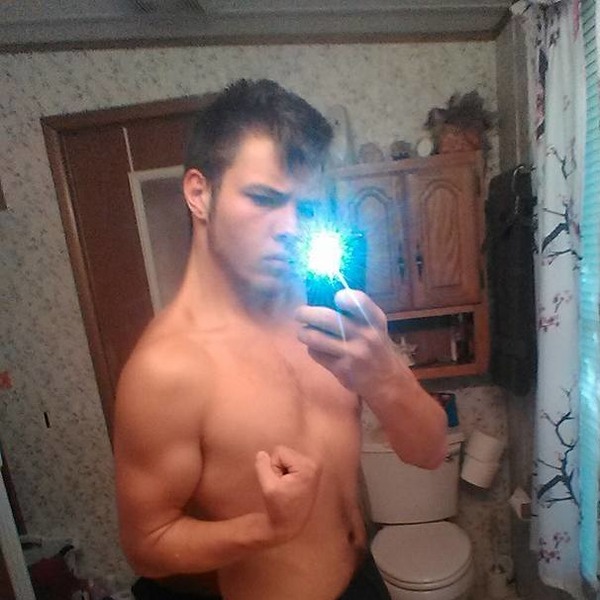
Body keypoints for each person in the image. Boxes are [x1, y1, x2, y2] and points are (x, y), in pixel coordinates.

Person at [113, 79, 448, 600]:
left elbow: (430, 453)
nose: (291, 227)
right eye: (264, 198)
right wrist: (266, 529)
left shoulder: (327, 315)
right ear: (199, 193)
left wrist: (386, 377)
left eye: (305, 208)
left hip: (364, 580)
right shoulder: (169, 368)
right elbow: (146, 546)